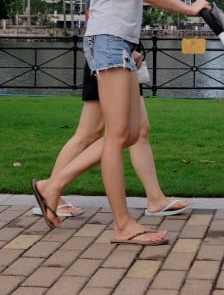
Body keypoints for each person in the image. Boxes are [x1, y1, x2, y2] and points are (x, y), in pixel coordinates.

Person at [70, 0, 209, 246]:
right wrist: (189, 9)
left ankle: (52, 187)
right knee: (116, 136)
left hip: (120, 42)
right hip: (109, 39)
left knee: (130, 133)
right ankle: (122, 226)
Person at [31, 54, 192, 228]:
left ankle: (155, 198)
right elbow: (94, 27)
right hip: (109, 58)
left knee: (139, 129)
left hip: (122, 58)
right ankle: (52, 191)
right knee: (90, 133)